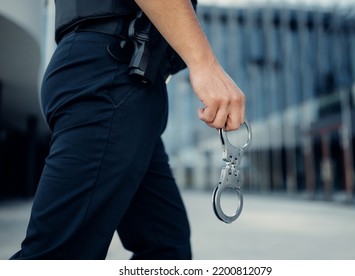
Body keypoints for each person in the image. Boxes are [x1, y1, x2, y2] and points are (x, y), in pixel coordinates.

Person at [11, 0, 246, 259]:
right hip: (113, 71)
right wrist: (205, 65)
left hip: (127, 78)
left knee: (166, 248)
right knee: (55, 261)